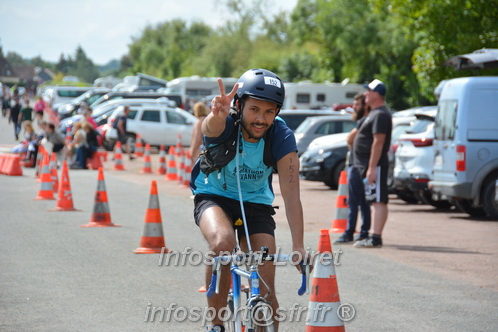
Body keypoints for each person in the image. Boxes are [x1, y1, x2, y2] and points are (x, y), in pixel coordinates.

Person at [190, 69, 307, 332]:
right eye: (254, 109)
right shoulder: (226, 122)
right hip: (213, 196)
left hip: (256, 205)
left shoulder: (281, 136)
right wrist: (215, 114)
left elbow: (291, 194)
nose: (261, 119)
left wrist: (299, 244)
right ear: (239, 105)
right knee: (223, 244)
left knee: (265, 283)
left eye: (269, 112)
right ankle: (217, 324)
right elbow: (211, 127)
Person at [352, 79, 392, 248]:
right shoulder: (374, 113)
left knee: (378, 201)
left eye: (369, 91)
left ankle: (376, 237)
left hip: (376, 165)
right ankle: (372, 235)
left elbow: (378, 142)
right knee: (373, 200)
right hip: (368, 165)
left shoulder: (381, 114)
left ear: (377, 94)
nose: (366, 94)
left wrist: (372, 168)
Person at [334, 93, 372, 244]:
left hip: (359, 166)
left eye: (357, 104)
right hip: (358, 165)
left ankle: (351, 233)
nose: (354, 107)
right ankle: (362, 232)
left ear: (365, 106)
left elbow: (350, 139)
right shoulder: (364, 121)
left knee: (357, 201)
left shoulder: (366, 121)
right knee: (362, 201)